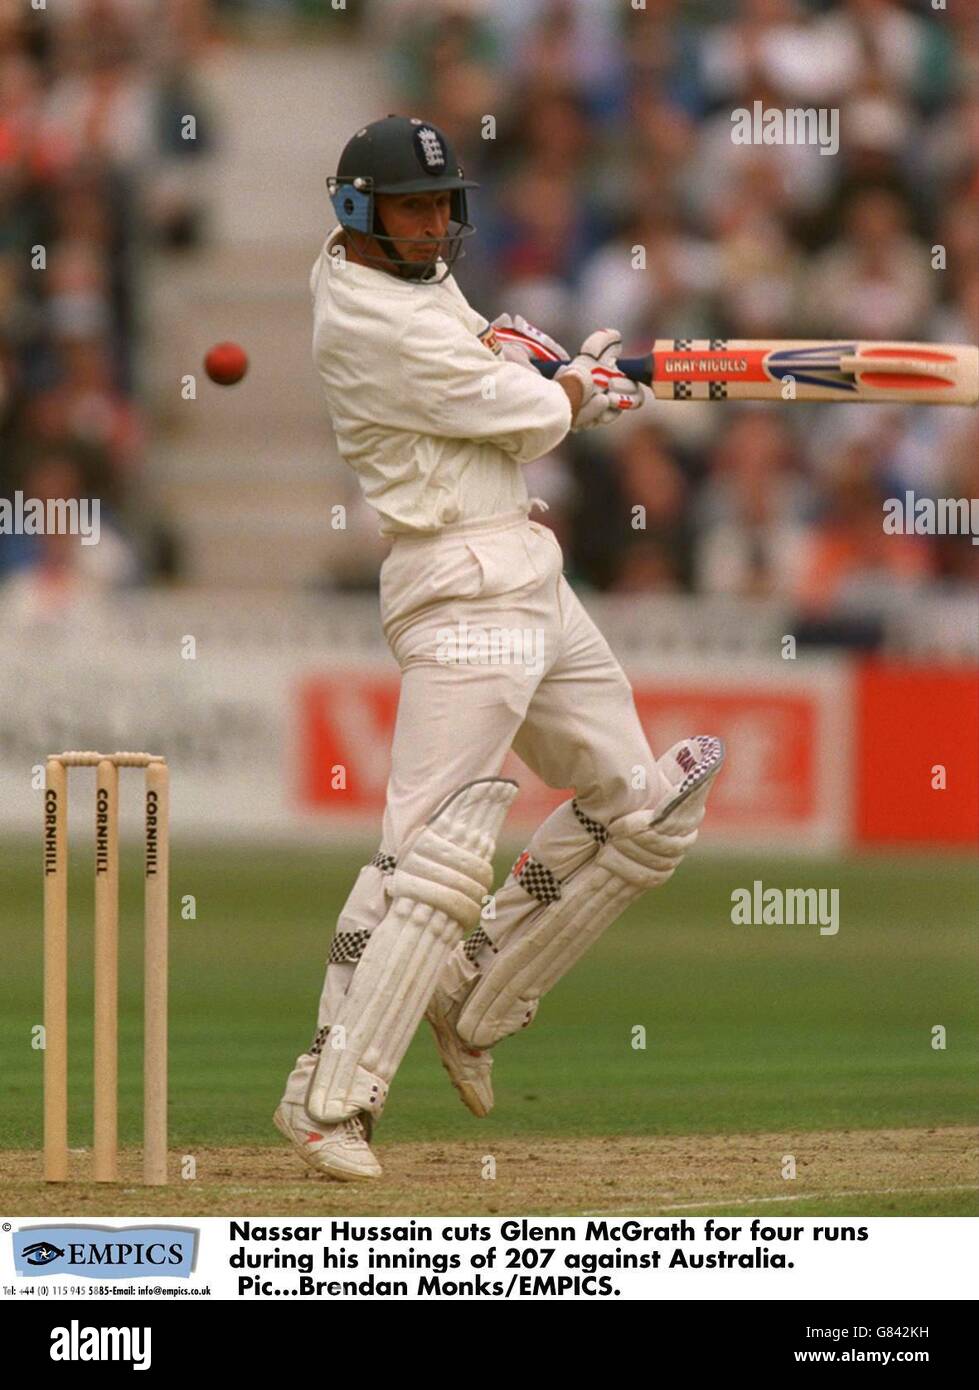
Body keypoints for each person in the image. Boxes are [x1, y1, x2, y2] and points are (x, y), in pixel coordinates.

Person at [274, 115, 723, 1180]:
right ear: (356, 214)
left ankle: (473, 1002)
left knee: (645, 812)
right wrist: (575, 389)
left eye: (440, 206)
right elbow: (527, 419)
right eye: (408, 209)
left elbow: (495, 360)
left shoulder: (404, 278)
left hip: (524, 565)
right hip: (458, 581)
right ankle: (326, 1094)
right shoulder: (374, 323)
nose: (431, 226)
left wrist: (556, 364)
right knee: (432, 854)